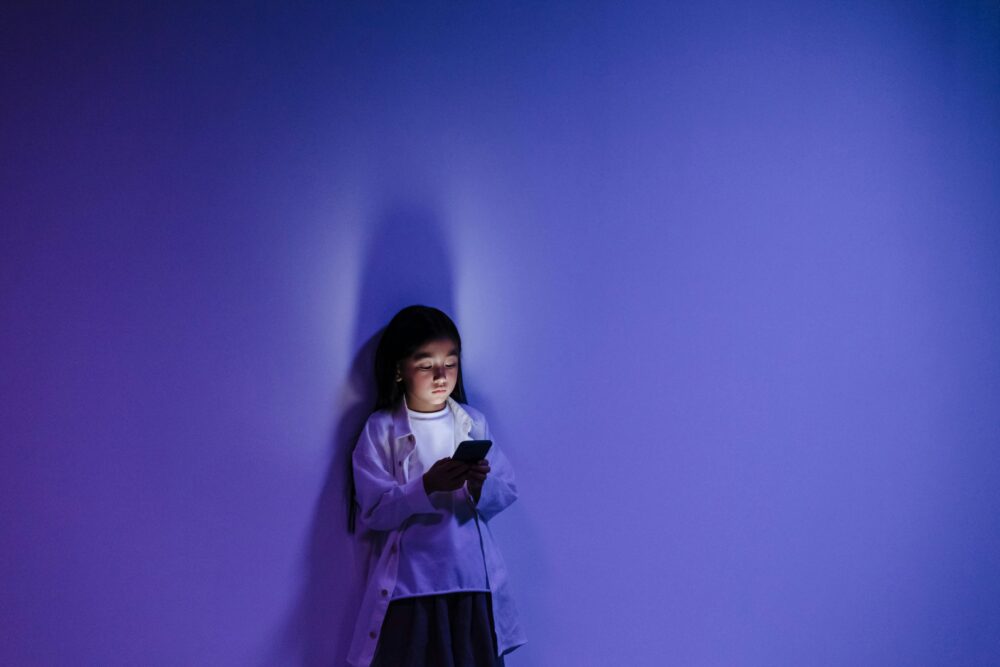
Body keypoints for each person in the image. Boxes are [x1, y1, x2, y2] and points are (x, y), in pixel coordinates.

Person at [348, 305, 526, 667]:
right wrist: (425, 486)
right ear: (399, 370)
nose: (441, 376)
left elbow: (506, 488)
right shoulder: (381, 430)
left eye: (451, 363)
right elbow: (375, 511)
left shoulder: (473, 422)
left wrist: (479, 486)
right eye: (426, 365)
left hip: (473, 588)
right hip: (412, 590)